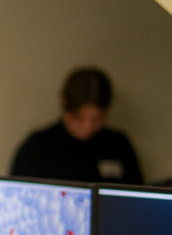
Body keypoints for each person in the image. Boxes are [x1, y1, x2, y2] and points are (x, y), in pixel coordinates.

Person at [10, 67, 143, 184]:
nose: (88, 126)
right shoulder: (38, 147)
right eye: (78, 119)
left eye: (97, 119)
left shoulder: (119, 144)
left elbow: (136, 195)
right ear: (63, 102)